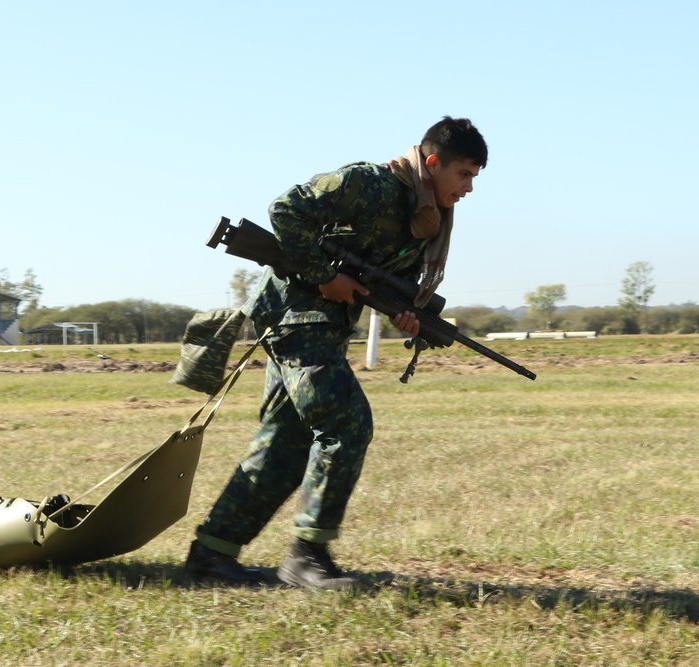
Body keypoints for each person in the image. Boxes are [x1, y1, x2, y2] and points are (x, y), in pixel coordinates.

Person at [185, 117, 488, 589]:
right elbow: (284, 209)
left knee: (284, 445)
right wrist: (324, 274)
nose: (469, 188)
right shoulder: (367, 182)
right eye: (465, 174)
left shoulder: (426, 219)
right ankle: (308, 555)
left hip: (321, 325)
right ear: (433, 163)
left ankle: (212, 555)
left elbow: (382, 284)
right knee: (347, 424)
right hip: (294, 315)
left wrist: (405, 314)